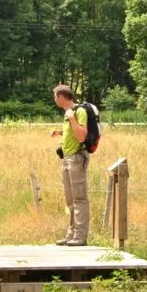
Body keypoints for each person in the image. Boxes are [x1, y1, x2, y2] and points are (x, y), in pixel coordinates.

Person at [48, 84, 90, 246]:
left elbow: (81, 136)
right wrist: (60, 133)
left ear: (61, 97)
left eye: (55, 97)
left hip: (77, 158)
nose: (54, 100)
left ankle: (80, 236)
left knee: (80, 198)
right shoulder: (68, 114)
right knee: (70, 199)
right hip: (67, 158)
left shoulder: (78, 112)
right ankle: (71, 234)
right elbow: (73, 133)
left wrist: (72, 118)